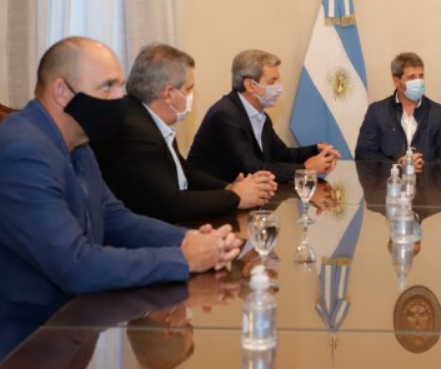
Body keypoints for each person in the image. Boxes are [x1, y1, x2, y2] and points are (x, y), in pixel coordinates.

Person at [0, 37, 241, 344]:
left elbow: (116, 219)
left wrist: (189, 239)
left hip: (79, 325)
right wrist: (183, 259)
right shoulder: (23, 149)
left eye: (120, 86)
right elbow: (74, 264)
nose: (120, 99)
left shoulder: (79, 143)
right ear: (61, 91)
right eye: (107, 87)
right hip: (29, 342)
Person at [92, 44, 277, 224]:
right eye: (188, 89)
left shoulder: (150, 120)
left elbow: (185, 171)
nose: (190, 95)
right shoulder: (136, 132)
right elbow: (172, 204)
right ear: (168, 94)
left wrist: (229, 187)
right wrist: (235, 197)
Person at [188, 49, 340, 183]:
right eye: (272, 82)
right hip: (211, 199)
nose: (279, 88)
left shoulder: (261, 116)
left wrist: (316, 151)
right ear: (250, 85)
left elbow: (282, 155)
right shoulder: (225, 115)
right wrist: (305, 169)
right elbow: (251, 170)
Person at [355, 52, 441, 169]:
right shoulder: (377, 111)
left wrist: (423, 165)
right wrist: (398, 164)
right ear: (396, 81)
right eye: (412, 77)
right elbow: (363, 154)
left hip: (426, 179)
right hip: (389, 179)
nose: (419, 82)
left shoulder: (440, 113)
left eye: (421, 76)